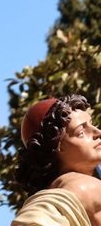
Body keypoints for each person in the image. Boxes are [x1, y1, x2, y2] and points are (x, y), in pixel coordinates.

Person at [12, 95, 101, 226]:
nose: (98, 132)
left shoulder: (52, 190)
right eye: (81, 132)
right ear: (58, 146)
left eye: (92, 124)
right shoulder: (83, 186)